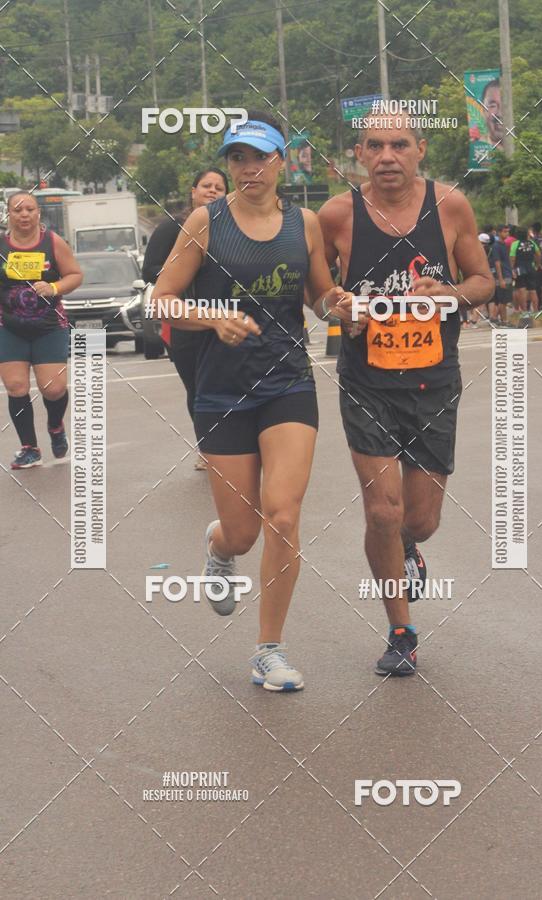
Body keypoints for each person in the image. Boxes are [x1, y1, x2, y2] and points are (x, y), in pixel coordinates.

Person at [152, 112, 349, 692]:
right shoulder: (205, 222)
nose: (248, 169)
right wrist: (211, 317)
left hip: (288, 384)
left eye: (259, 157)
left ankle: (269, 650)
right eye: (237, 158)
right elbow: (160, 301)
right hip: (220, 393)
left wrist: (341, 305)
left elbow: (318, 296)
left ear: (281, 163)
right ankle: (219, 546)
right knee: (244, 532)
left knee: (283, 515)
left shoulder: (305, 224)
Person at [318, 115, 494, 676]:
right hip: (367, 382)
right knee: (383, 511)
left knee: (420, 520)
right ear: (359, 155)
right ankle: (401, 630)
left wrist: (450, 293)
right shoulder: (337, 215)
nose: (388, 155)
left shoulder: (451, 207)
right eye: (376, 146)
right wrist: (334, 306)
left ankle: (410, 546)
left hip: (433, 381)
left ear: (420, 150)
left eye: (400, 145)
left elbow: (484, 281)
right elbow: (317, 287)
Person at [142, 168, 229, 470]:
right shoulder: (173, 227)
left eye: (219, 187)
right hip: (184, 321)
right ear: (193, 191)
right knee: (198, 388)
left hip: (226, 317)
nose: (212, 191)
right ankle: (207, 448)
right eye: (206, 185)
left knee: (229, 384)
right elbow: (149, 269)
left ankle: (237, 446)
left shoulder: (234, 227)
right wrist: (185, 273)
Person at [0, 192, 82, 468]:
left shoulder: (53, 242)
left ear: (38, 213)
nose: (24, 215)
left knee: (53, 388)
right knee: (15, 385)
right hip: (8, 326)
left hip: (49, 326)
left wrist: (54, 287)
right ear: (8, 214)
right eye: (17, 210)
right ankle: (29, 447)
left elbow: (75, 275)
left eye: (29, 209)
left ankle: (56, 426)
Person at [510, 227, 541, 314]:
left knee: (521, 289)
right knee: (532, 290)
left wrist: (512, 269)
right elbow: (538, 254)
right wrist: (537, 265)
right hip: (530, 267)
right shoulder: (532, 243)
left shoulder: (515, 244)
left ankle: (524, 311)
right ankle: (536, 310)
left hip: (519, 268)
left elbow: (512, 258)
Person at [490, 224, 513, 324]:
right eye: (504, 231)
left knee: (504, 300)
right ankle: (502, 320)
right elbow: (497, 263)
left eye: (507, 231)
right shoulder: (496, 246)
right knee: (503, 300)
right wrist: (500, 279)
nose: (506, 233)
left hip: (507, 273)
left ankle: (498, 318)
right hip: (502, 276)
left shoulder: (504, 245)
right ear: (499, 232)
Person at [481, 78, 503, 147]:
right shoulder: (478, 145)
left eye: (505, 105)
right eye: (493, 106)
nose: (499, 113)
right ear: (483, 111)